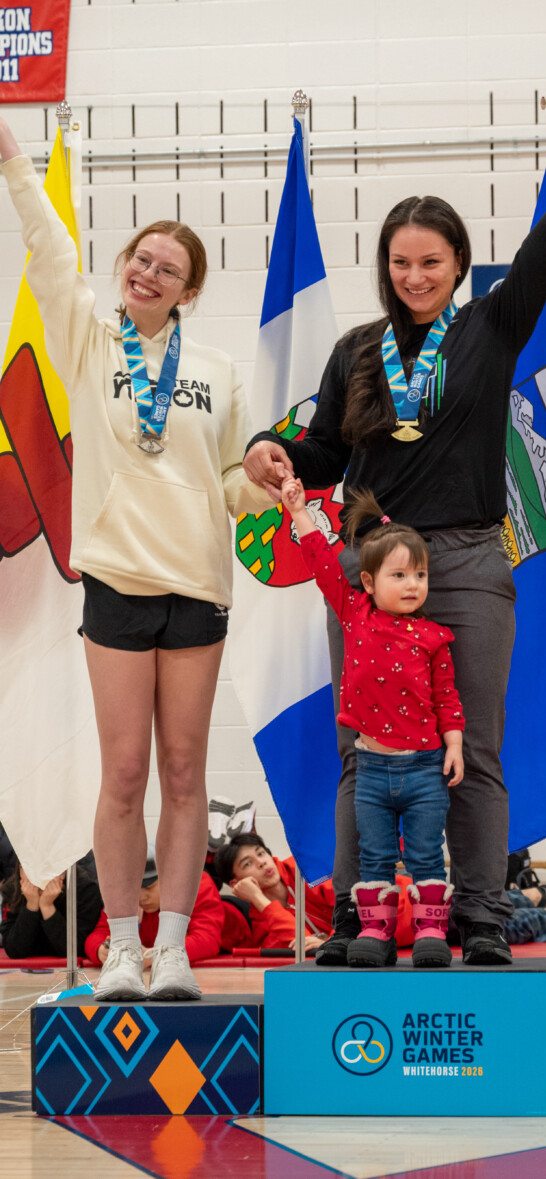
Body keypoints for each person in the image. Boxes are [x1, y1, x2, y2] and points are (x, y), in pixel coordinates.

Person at [243, 96, 546, 967]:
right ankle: (359, 917)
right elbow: (318, 450)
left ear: (459, 265)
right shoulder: (356, 350)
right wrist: (264, 450)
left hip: (466, 560)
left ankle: (478, 917)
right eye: (400, 263)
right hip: (365, 564)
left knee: (476, 749)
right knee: (364, 748)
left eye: (430, 262)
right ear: (385, 267)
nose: (414, 277)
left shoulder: (489, 328)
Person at [0, 116, 272, 1003]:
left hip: (196, 584)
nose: (146, 272)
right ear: (123, 266)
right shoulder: (85, 335)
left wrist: (262, 481)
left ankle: (174, 951)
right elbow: (45, 246)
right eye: (139, 258)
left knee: (186, 770)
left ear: (186, 290)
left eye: (167, 268)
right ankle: (122, 944)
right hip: (115, 579)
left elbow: (230, 478)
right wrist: (12, 160)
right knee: (124, 770)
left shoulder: (221, 370)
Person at [282, 477, 464, 968]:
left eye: (419, 576)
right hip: (371, 770)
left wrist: (454, 745)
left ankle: (431, 932)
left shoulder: (433, 637)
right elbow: (321, 561)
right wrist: (300, 514)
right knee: (376, 856)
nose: (413, 586)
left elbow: (447, 696)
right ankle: (375, 932)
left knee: (427, 854)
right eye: (399, 576)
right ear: (368, 582)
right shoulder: (354, 613)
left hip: (425, 769)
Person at [85, 844, 225, 984]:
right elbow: (99, 932)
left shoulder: (197, 885)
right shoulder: (122, 894)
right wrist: (100, 951)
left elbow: (208, 940)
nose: (141, 898)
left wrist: (153, 956)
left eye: (149, 888)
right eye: (134, 890)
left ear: (171, 879)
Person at [0, 859, 102, 960]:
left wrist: (47, 907)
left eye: (46, 867)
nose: (38, 876)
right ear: (20, 871)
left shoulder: (86, 890)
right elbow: (14, 951)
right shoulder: (12, 889)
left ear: (63, 871)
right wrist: (31, 906)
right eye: (29, 867)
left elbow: (76, 950)